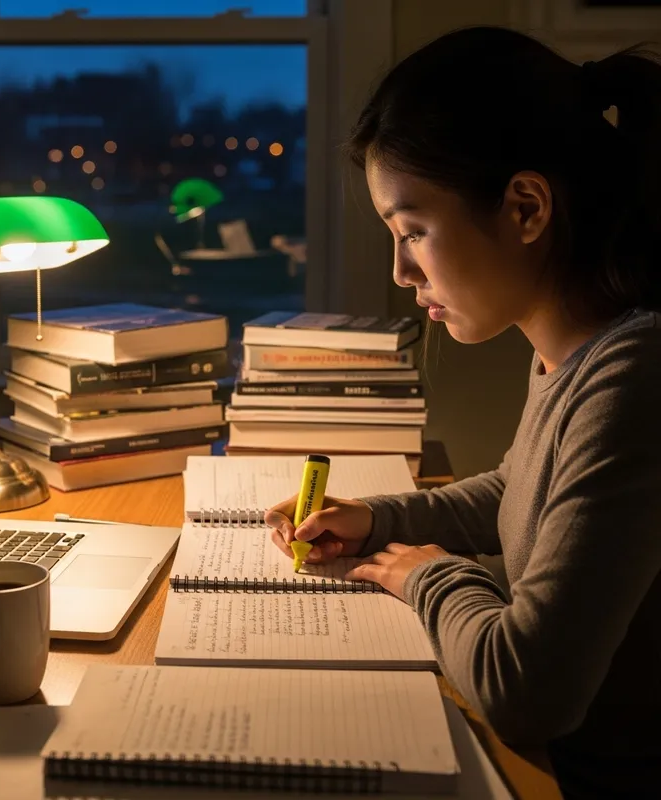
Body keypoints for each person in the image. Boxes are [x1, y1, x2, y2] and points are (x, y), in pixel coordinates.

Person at [265, 26, 661, 799]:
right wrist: (378, 522)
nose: (400, 270)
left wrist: (429, 575)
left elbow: (528, 693)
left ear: (525, 208)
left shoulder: (636, 377)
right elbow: (521, 491)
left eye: (413, 231)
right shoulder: (575, 351)